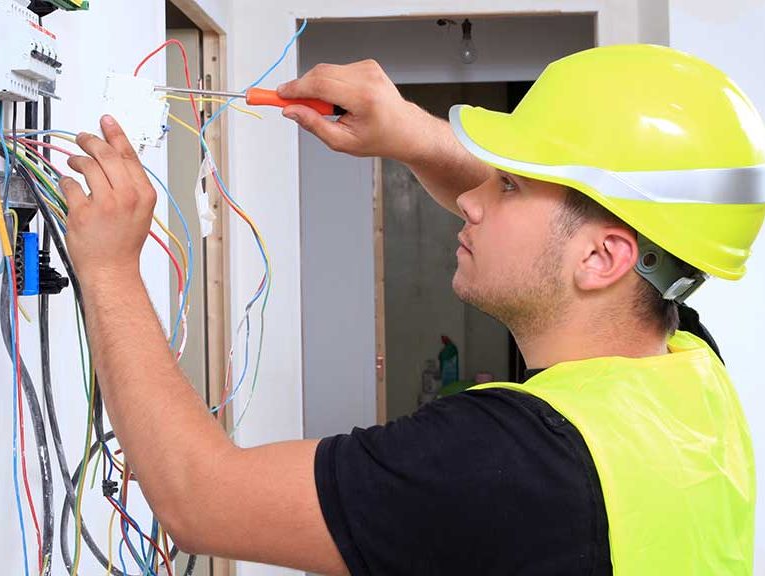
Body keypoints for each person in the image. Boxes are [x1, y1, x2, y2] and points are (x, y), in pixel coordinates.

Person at [60, 44, 764, 575]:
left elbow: (198, 499)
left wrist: (111, 263)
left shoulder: (509, 460)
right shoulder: (685, 372)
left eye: (511, 185)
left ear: (603, 259)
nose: (471, 198)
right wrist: (406, 131)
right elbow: (568, 231)